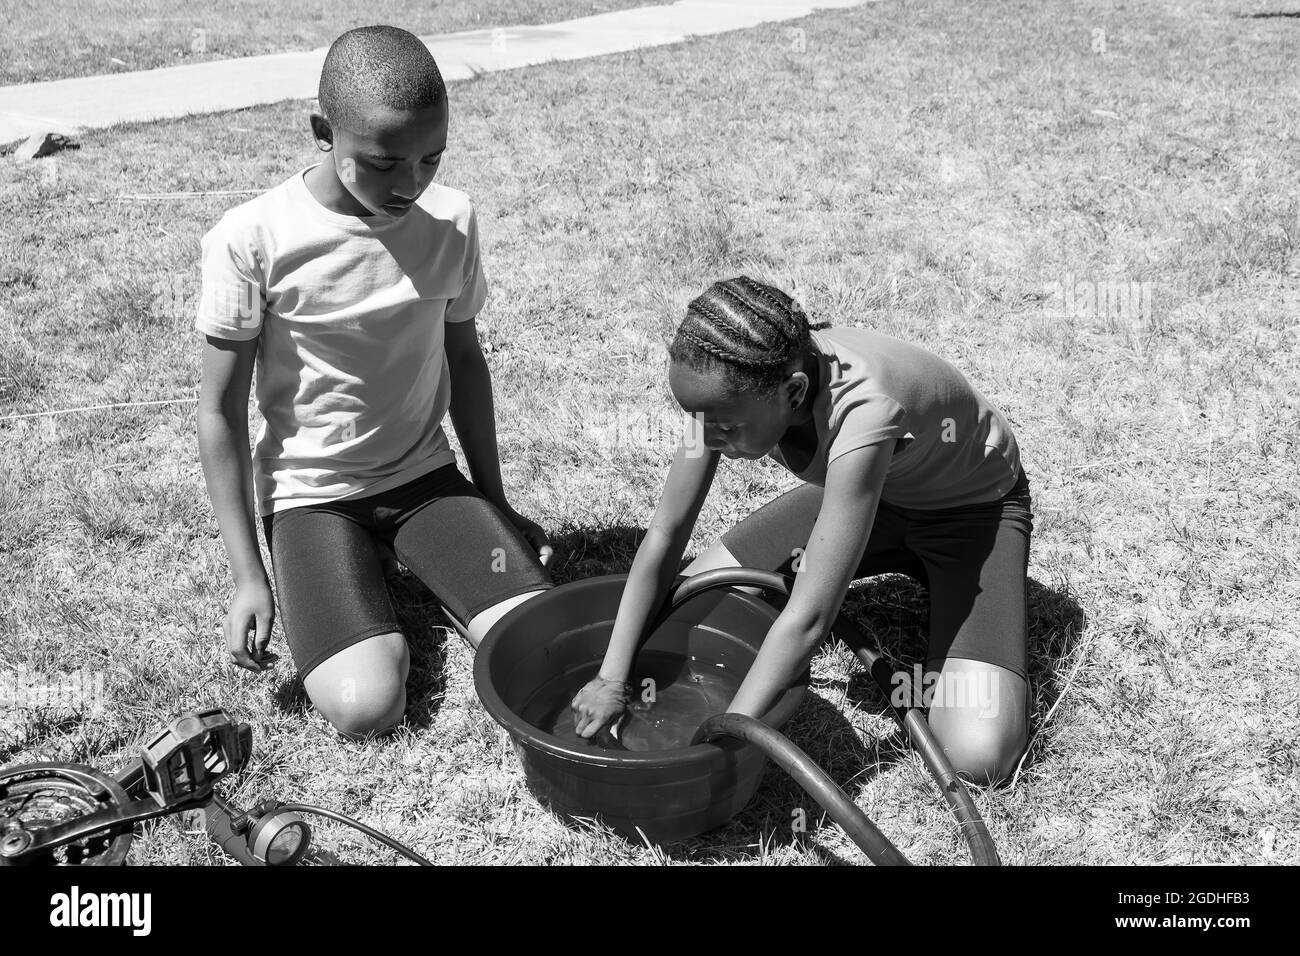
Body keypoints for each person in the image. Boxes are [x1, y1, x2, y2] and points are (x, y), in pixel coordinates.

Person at [195, 26, 553, 738]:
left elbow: (466, 362)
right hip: (312, 497)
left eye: (431, 158)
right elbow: (220, 414)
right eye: (383, 163)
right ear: (323, 132)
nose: (411, 184)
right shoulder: (251, 238)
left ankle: (431, 561)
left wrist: (496, 499)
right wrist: (247, 575)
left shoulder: (451, 221)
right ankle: (361, 569)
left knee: (538, 644)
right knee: (367, 706)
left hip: (425, 479)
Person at [570, 276, 1034, 784]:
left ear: (794, 392)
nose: (704, 437)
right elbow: (666, 531)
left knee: (977, 753)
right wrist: (610, 677)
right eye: (694, 419)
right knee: (696, 605)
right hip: (865, 493)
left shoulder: (864, 408)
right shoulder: (728, 388)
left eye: (722, 426)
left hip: (972, 515)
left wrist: (722, 738)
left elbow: (810, 618)